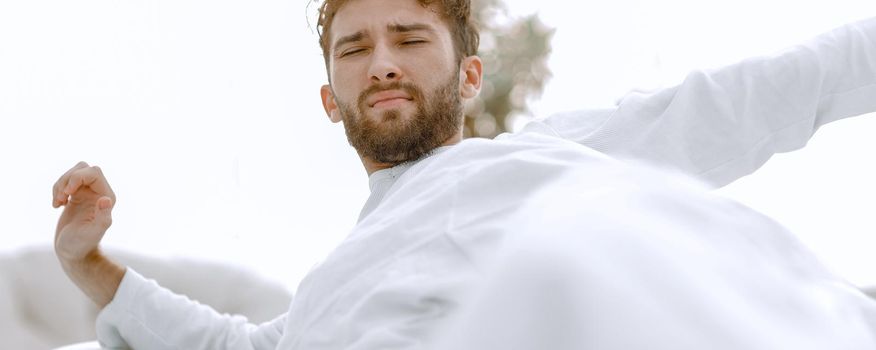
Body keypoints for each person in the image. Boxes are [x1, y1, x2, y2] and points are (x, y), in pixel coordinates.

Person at [51, 0, 876, 348]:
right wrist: (87, 263)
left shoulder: (553, 156)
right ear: (331, 99)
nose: (381, 64)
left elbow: (764, 95)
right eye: (356, 48)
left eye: (410, 40)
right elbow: (231, 347)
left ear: (469, 78)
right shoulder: (326, 298)